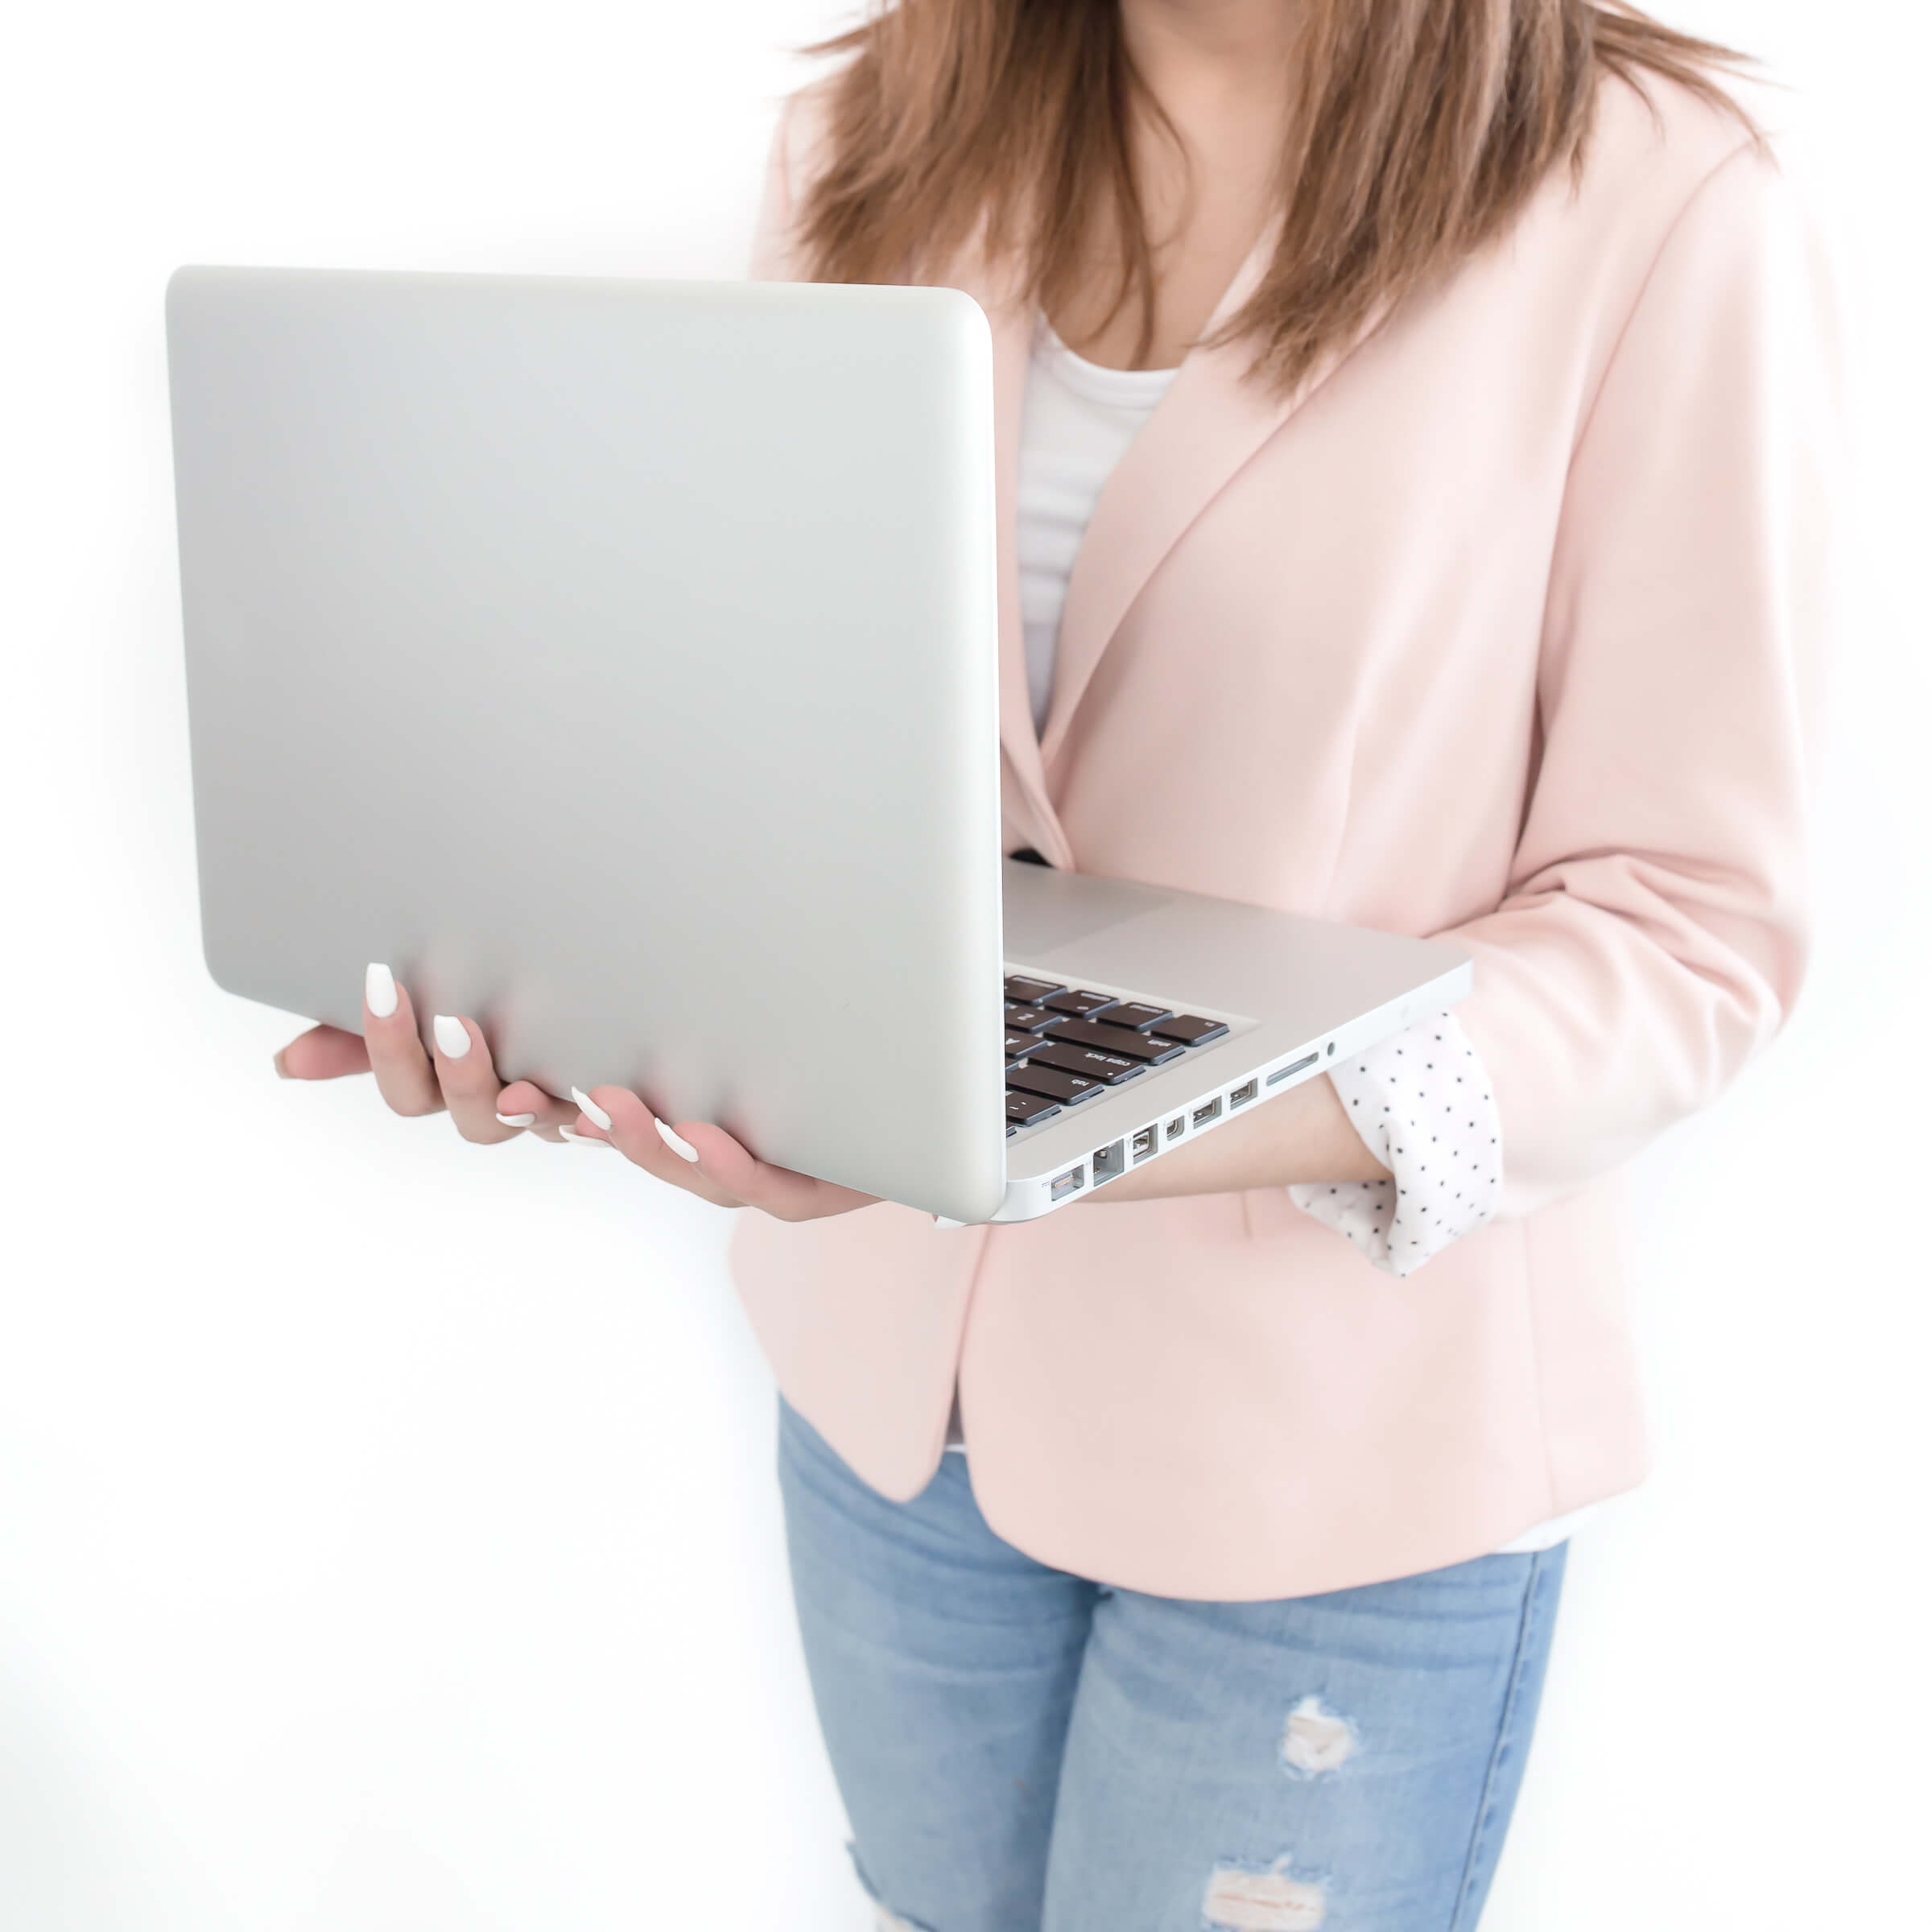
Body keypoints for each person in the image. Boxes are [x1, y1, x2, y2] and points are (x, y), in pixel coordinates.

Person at [275, 2, 1839, 1924]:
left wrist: (1041, 1119)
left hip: (1340, 1467)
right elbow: (796, 746)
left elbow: (1681, 935)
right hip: (888, 1411)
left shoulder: (1665, 202)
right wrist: (592, 979)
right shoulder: (869, 133)